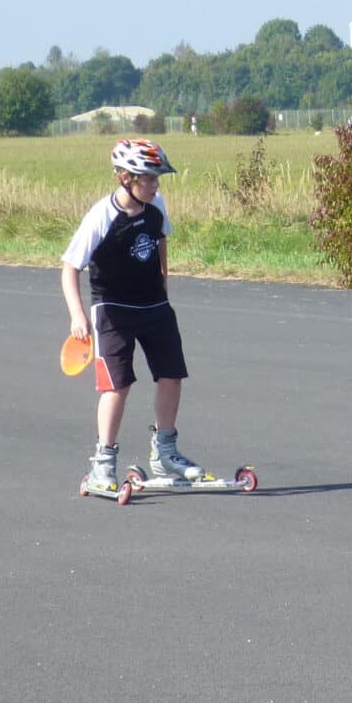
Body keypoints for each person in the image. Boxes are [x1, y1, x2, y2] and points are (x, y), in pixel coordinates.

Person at [61, 138, 206, 489]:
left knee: (172, 374)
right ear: (126, 178)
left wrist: (164, 289)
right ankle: (103, 463)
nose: (156, 185)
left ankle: (165, 454)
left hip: (154, 304)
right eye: (149, 178)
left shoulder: (156, 206)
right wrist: (77, 316)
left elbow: (161, 243)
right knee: (118, 385)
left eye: (157, 178)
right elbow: (70, 267)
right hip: (113, 309)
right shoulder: (102, 216)